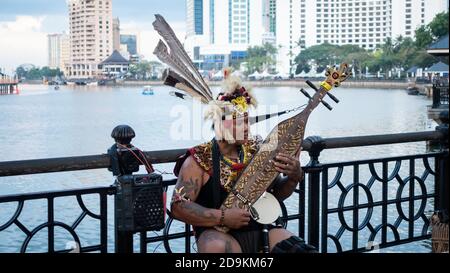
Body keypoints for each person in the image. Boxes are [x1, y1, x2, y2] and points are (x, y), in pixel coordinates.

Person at [171, 69, 316, 253]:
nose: (247, 128)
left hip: (262, 230)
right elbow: (178, 206)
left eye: (248, 121)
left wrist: (295, 176)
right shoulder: (199, 159)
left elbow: (276, 194)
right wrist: (222, 217)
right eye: (240, 122)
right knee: (215, 247)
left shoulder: (256, 150)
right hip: (218, 234)